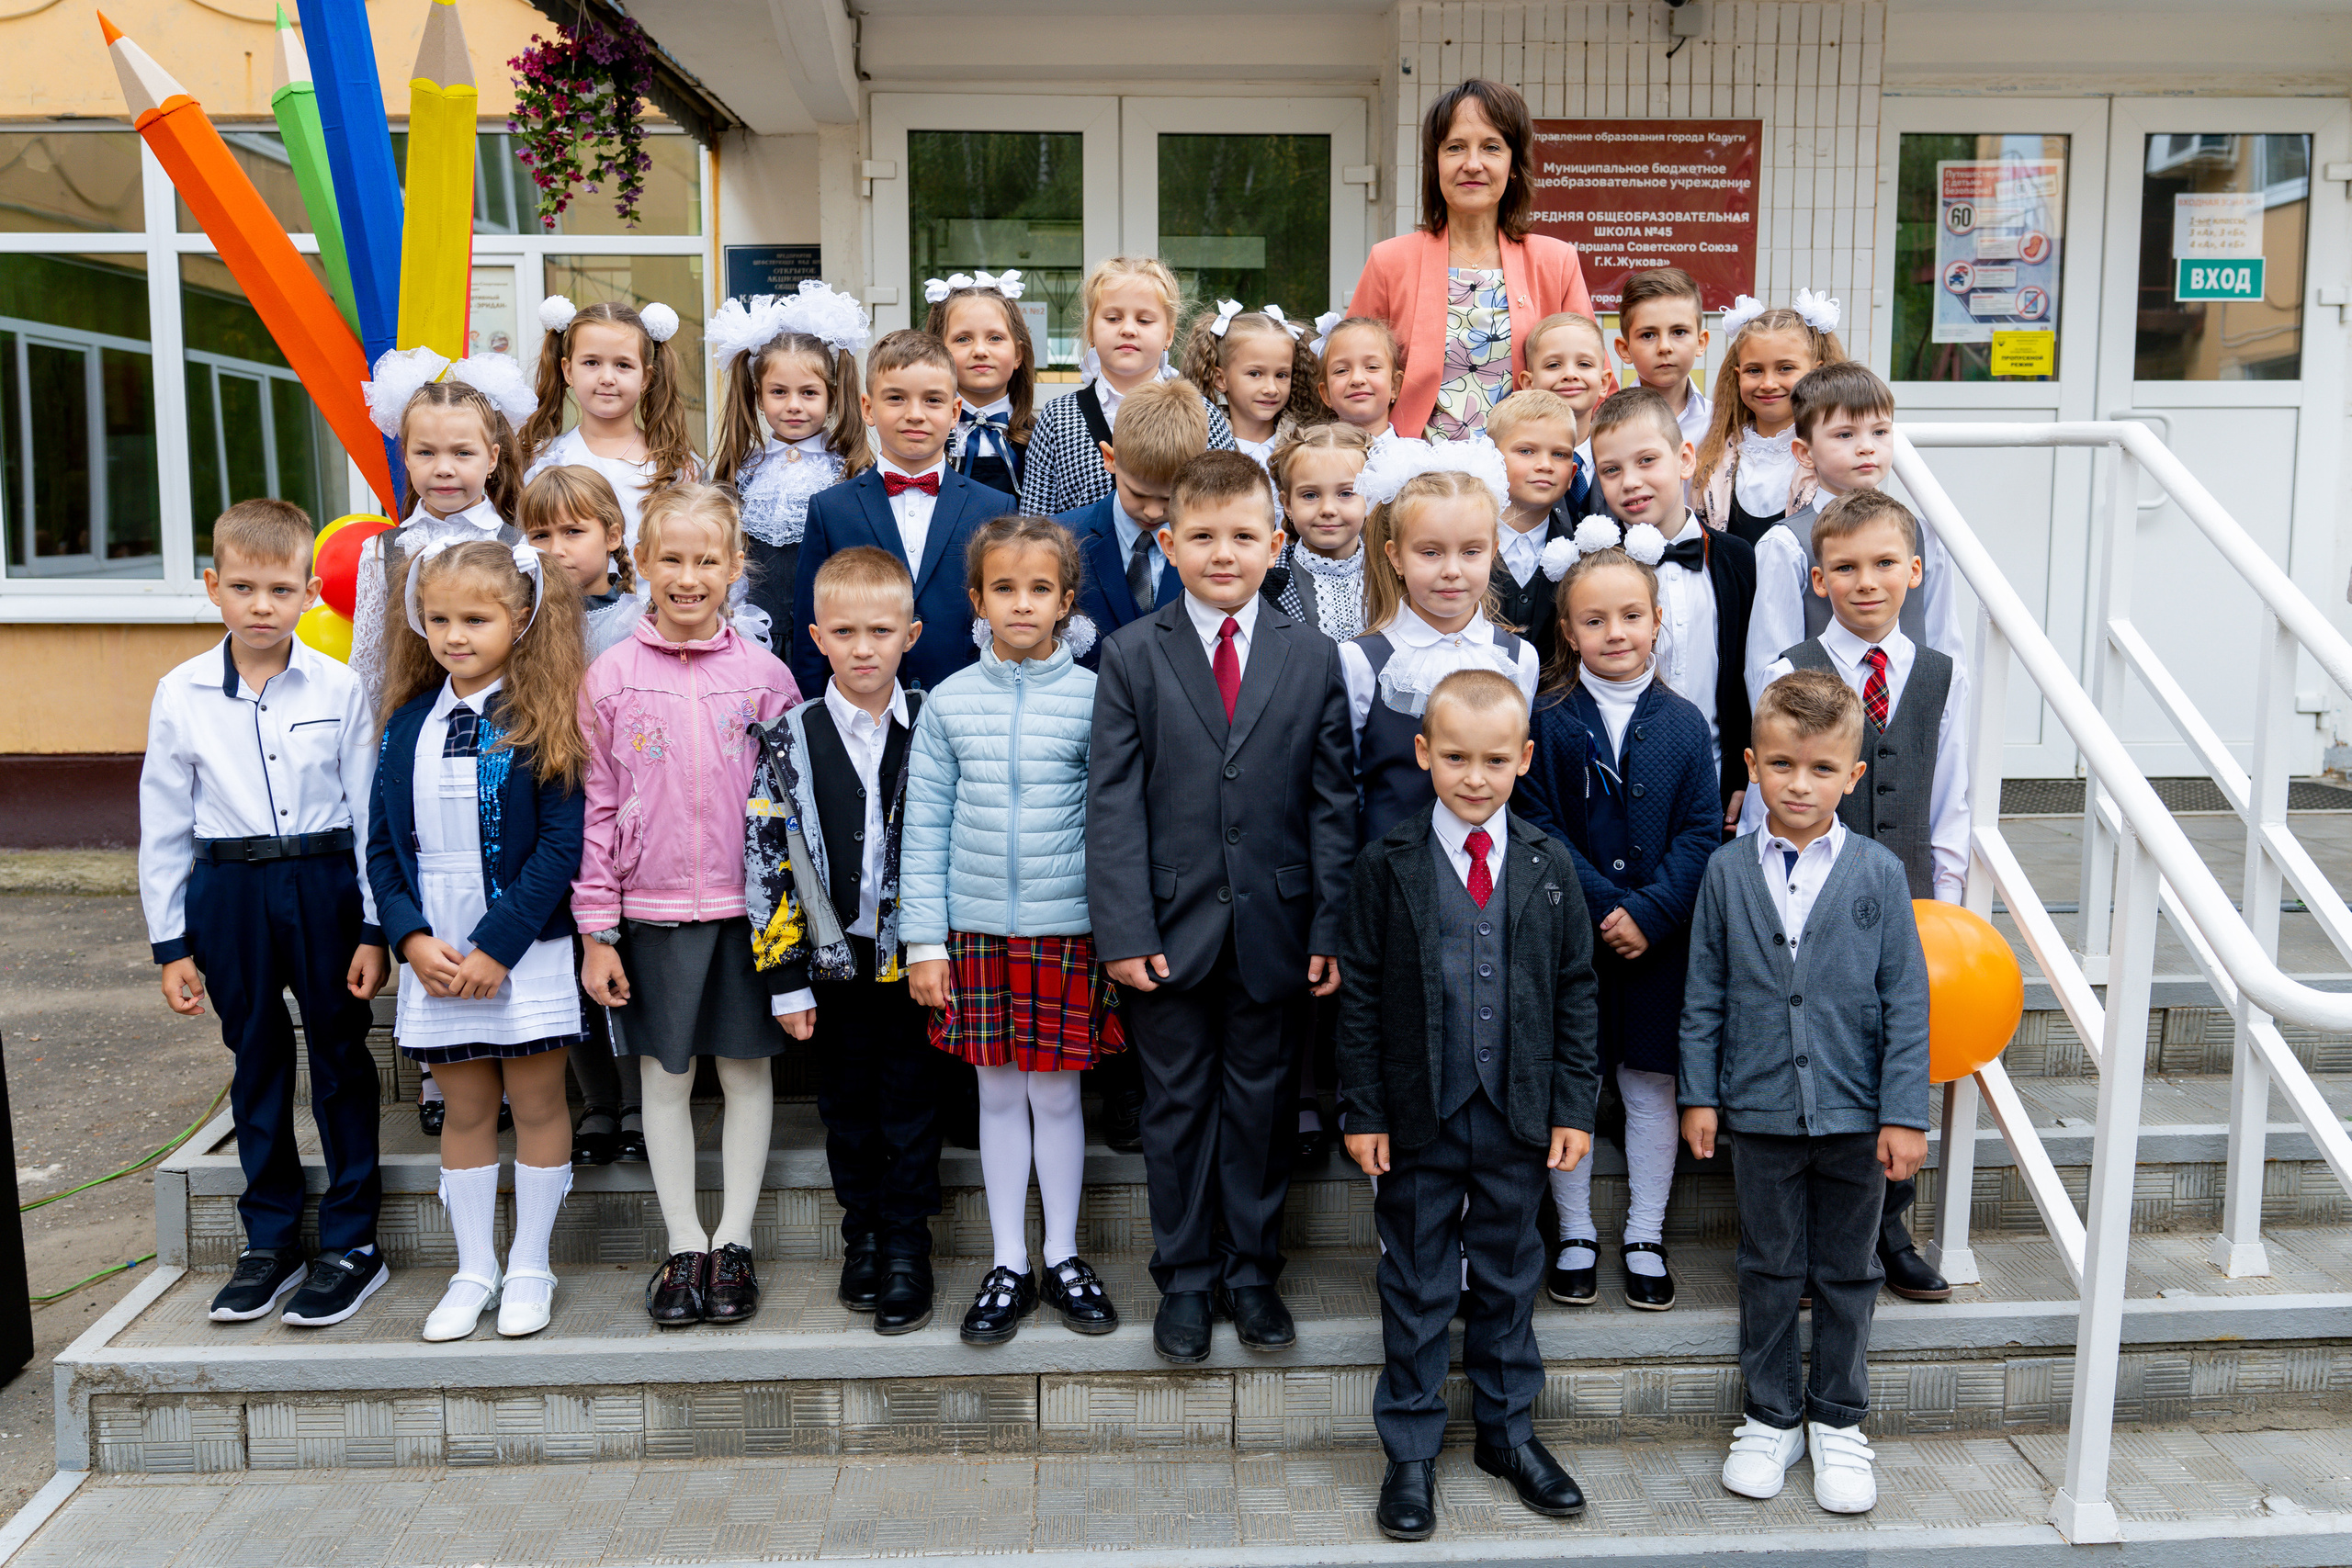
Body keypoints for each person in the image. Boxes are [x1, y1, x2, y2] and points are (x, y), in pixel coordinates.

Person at [1087, 450, 1354, 1365]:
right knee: (1176, 1109)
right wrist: (1122, 928)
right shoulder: (1130, 655)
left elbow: (1332, 801)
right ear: (1169, 543)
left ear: (1275, 544)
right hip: (1165, 935)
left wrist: (1327, 925)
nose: (1223, 553)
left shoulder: (1312, 657)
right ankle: (1187, 1278)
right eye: (1202, 537)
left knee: (1260, 1107)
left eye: (1244, 536)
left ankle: (1252, 1273)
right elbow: (1113, 802)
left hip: (1274, 931)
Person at [1337, 668, 1600, 1542]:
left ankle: (1506, 1431)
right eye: (1455, 757)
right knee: (1413, 1277)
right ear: (1424, 754)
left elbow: (1573, 989)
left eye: (1494, 759)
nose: (1475, 777)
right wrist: (1365, 1111)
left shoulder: (1548, 862)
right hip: (1420, 1112)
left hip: (1517, 1112)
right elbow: (1363, 994)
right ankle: (1409, 1448)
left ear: (1524, 758)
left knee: (1508, 1274)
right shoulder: (1388, 862)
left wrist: (1573, 1105)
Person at [1682, 667, 1931, 1516]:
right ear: (1753, 763)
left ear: (1852, 777)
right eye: (1783, 764)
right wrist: (1700, 1095)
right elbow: (1705, 991)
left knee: (1848, 1267)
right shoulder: (1724, 872)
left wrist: (1904, 1111)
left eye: (1822, 769)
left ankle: (1838, 1417)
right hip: (1758, 1112)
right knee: (1767, 1263)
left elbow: (1906, 998)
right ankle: (1770, 1413)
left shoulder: (1881, 873)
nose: (1800, 783)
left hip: (1858, 1117)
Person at [139, 500, 390, 1329]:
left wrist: (373, 925)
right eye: (241, 586)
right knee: (255, 1058)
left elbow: (364, 809)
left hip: (323, 885)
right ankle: (271, 1240)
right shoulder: (179, 694)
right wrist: (170, 941)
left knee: (341, 1056)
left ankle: (353, 1241)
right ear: (213, 586)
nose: (260, 605)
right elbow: (165, 821)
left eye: (279, 589)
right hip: (230, 892)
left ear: (310, 592)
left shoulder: (340, 685)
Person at [576, 483, 803, 1328]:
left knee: (745, 1074)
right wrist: (598, 930)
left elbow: (790, 811)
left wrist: (787, 922)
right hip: (652, 912)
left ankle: (734, 1242)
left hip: (745, 915)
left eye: (707, 560)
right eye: (670, 558)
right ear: (640, 565)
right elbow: (596, 806)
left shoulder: (765, 677)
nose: (688, 576)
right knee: (665, 1081)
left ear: (736, 570)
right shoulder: (610, 677)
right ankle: (683, 1243)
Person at [1741, 490, 1972, 1305]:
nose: (1865, 581)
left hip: (1904, 898)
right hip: (1804, 900)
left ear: (1914, 570)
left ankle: (1889, 1226)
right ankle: (1804, 1235)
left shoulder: (1943, 677)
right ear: (1818, 576)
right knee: (1817, 1054)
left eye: (1883, 564)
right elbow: (1762, 791)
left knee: (1892, 1056)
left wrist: (1945, 904)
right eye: (1845, 566)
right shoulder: (1791, 666)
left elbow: (1953, 798)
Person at [903, 515, 1123, 1346]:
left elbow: (1114, 824)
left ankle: (1063, 1254)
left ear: (1066, 601)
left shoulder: (1098, 696)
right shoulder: (951, 703)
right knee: (997, 1092)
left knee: (1058, 1094)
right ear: (977, 599)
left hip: (1069, 930)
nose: (1021, 604)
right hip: (977, 933)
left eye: (1040, 589)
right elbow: (922, 830)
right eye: (1005, 588)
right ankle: (1008, 1261)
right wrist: (926, 943)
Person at [370, 537, 589, 1341]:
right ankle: (474, 1268)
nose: (454, 634)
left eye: (475, 617)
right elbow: (383, 849)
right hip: (436, 952)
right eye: (438, 618)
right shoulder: (403, 728)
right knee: (464, 1109)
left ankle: (530, 1261)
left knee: (535, 1102)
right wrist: (410, 939)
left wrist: (499, 944)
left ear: (520, 617)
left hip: (521, 947)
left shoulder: (542, 717)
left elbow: (562, 846)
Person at [1514, 528, 1721, 1312]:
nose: (1615, 633)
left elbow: (1703, 829)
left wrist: (1653, 910)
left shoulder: (1682, 720)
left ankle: (1643, 1229)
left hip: (1661, 942)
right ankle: (1572, 1231)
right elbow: (1539, 825)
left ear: (1657, 619)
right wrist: (1607, 907)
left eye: (1630, 616)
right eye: (1594, 621)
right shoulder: (1551, 717)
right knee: (1574, 1076)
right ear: (1567, 632)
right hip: (1572, 936)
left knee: (1648, 1081)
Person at [744, 547, 940, 1335]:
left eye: (881, 631)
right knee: (847, 1101)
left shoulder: (933, 723)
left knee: (913, 1101)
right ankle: (863, 1235)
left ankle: (907, 1243)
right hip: (834, 961)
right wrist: (785, 976)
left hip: (914, 956)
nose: (864, 648)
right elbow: (766, 861)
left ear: (912, 634)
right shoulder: (787, 738)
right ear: (817, 637)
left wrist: (939, 944)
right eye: (846, 631)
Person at [1348, 78, 1596, 441]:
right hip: (1415, 476)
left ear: (1514, 165)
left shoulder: (1555, 261)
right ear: (1435, 163)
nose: (1473, 163)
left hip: (1525, 475)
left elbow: (1595, 381)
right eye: (1455, 148)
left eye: (1492, 147)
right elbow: (1350, 374)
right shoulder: (1389, 262)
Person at [518, 467, 644, 1168]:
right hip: (549, 807)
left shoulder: (639, 620)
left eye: (574, 531)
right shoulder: (524, 621)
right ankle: (595, 1099)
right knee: (565, 956)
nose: (559, 548)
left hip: (618, 812)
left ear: (613, 534)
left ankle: (632, 1097)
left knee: (614, 954)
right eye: (541, 533)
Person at [791, 330, 1020, 695]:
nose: (915, 414)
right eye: (896, 398)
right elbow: (809, 631)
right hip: (863, 717)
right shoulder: (831, 510)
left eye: (932, 400)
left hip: (969, 709)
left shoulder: (995, 507)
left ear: (954, 412)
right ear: (868, 408)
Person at [1343, 437, 1541, 847]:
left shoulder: (1518, 659)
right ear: (1396, 557)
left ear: (1493, 552)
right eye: (1430, 553)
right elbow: (1345, 788)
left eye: (1471, 552)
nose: (1452, 571)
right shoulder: (1361, 661)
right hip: (1390, 880)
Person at [1586, 387, 1758, 830]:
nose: (1630, 481)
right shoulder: (1595, 571)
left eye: (1647, 461)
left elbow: (1750, 672)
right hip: (1619, 787)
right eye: (1611, 469)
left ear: (1685, 458)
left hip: (1718, 784)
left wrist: (1745, 775)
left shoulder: (1737, 559)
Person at [1743, 361, 1966, 694]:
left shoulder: (1925, 537)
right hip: (1818, 731)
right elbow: (1769, 669)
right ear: (1805, 453)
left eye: (1880, 431)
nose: (1866, 446)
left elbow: (1946, 644)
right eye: (1845, 434)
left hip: (1912, 726)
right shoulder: (1785, 544)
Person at [707, 283, 876, 652]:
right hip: (750, 637)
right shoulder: (741, 472)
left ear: (832, 394)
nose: (794, 405)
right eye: (779, 392)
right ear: (758, 395)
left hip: (827, 640)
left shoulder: (850, 472)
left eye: (809, 392)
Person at [350, 376, 531, 707]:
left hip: (504, 731)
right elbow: (368, 671)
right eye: (426, 453)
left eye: (462, 453)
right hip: (408, 733)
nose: (444, 468)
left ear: (491, 458)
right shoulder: (383, 551)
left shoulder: (522, 548)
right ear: (404, 455)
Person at [1020, 255, 1237, 516]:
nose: (1128, 329)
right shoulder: (1058, 419)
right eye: (1113, 318)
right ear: (1090, 331)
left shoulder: (1202, 416)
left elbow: (1227, 508)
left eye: (1144, 321)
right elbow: (1035, 522)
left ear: (1168, 334)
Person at [520, 297, 697, 546]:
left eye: (623, 365)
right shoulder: (544, 459)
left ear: (646, 377)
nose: (607, 378)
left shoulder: (675, 465)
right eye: (591, 363)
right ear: (568, 371)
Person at [1066, 377, 1209, 652]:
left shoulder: (1212, 547)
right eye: (1139, 494)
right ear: (1110, 458)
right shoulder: (1063, 538)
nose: (1153, 512)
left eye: (1169, 498)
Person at [1694, 292, 1847, 545]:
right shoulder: (1713, 459)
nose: (1767, 383)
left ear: (1817, 372)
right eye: (1754, 370)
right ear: (1738, 375)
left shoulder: (1836, 459)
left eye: (1785, 368)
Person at [1487, 389, 1585, 664]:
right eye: (1526, 451)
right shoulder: (1461, 541)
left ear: (1571, 476)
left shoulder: (1582, 554)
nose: (1545, 465)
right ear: (1491, 459)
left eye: (1559, 454)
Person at [924, 271, 1035, 498]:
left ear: (1018, 355)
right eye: (963, 339)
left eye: (995, 338)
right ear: (938, 352)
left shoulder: (1041, 436)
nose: (980, 351)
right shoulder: (923, 433)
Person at [1262, 423, 1374, 644]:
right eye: (1310, 495)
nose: (1328, 510)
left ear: (1369, 498)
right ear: (1287, 504)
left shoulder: (1391, 573)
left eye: (1345, 493)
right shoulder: (1267, 582)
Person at [1182, 301, 1317, 470]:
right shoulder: (1200, 445)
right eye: (1255, 374)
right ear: (1220, 379)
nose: (1271, 389)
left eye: (1281, 375)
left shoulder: (1306, 444)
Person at [1514, 310, 1609, 501]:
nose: (1570, 374)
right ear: (1528, 384)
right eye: (1553, 365)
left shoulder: (1619, 453)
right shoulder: (1513, 462)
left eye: (1584, 364)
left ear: (1604, 382)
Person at [1615, 268, 1713, 446]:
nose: (1665, 347)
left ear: (1700, 342)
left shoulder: (1719, 423)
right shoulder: (1609, 424)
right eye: (1648, 335)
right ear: (1625, 349)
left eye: (1679, 332)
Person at [1313, 316, 1406, 441]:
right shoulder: (1313, 458)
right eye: (1342, 370)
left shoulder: (1414, 456)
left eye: (1372, 367)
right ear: (1326, 394)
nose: (1357, 379)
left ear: (1395, 385)